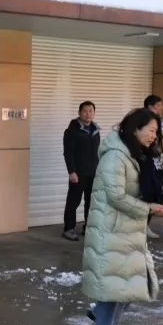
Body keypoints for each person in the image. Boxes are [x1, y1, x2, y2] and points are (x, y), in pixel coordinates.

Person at [82, 109, 163, 325]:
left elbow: (150, 174)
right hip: (112, 228)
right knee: (119, 287)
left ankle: (102, 319)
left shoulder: (134, 154)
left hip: (126, 229)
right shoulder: (115, 157)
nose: (154, 136)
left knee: (128, 286)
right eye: (151, 131)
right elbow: (116, 197)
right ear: (135, 129)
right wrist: (150, 208)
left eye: (157, 132)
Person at [62, 101, 100, 241]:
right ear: (79, 113)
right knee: (73, 201)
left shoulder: (95, 130)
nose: (88, 114)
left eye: (91, 111)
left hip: (93, 172)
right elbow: (68, 153)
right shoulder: (72, 131)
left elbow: (97, 152)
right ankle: (69, 229)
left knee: (91, 202)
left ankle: (88, 227)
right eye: (85, 111)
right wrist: (72, 172)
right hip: (78, 173)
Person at [143, 95, 163, 239]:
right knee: (144, 196)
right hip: (146, 163)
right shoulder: (142, 120)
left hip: (159, 163)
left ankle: (146, 226)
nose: (162, 107)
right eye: (159, 105)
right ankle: (138, 227)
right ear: (150, 106)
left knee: (155, 197)